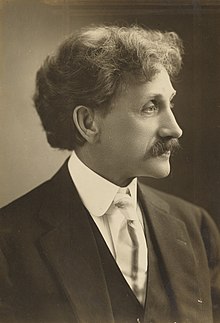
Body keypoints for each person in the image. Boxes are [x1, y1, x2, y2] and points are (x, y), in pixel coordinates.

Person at [0, 25, 219, 323]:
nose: (175, 128)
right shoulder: (9, 242)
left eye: (171, 103)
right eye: (150, 107)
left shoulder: (197, 228)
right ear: (89, 123)